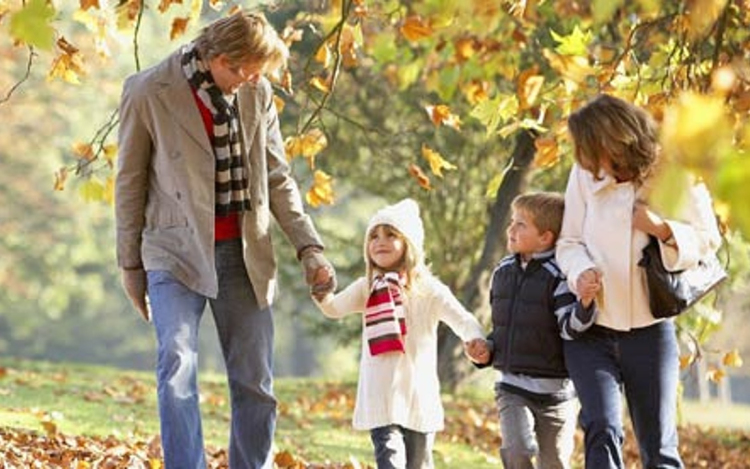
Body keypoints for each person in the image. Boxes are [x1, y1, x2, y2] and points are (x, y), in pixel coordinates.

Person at [114, 11, 336, 468]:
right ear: (214, 55)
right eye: (241, 69)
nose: (248, 80)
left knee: (255, 380)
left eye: (256, 71)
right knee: (176, 366)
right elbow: (130, 183)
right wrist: (130, 265)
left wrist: (309, 247)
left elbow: (276, 176)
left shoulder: (257, 91)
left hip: (244, 251)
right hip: (173, 252)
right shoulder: (147, 91)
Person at [555, 93, 722, 468]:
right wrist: (581, 272)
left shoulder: (673, 170)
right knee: (601, 429)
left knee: (659, 446)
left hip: (650, 329)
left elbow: (709, 238)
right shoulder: (584, 173)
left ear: (617, 141)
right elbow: (568, 242)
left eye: (592, 150)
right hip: (592, 327)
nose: (587, 162)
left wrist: (661, 229)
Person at [313, 198, 485, 469]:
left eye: (390, 235)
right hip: (380, 394)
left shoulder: (428, 290)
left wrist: (475, 338)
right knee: (389, 459)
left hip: (418, 394)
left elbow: (462, 319)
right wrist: (322, 289)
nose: (379, 241)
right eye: (373, 236)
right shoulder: (367, 287)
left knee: (418, 463)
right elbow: (334, 308)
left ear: (410, 244)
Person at [466, 192, 598, 469]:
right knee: (518, 450)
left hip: (556, 394)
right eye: (512, 222)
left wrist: (585, 303)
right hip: (512, 386)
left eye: (520, 224)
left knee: (555, 463)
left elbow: (570, 329)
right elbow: (503, 330)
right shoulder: (501, 273)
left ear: (545, 238)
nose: (510, 229)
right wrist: (486, 350)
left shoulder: (560, 275)